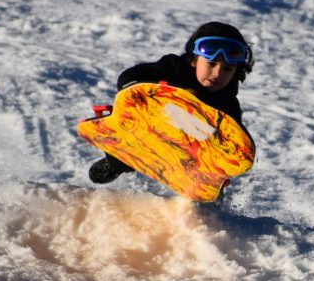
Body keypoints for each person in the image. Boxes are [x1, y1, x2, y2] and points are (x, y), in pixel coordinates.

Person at [88, 21, 254, 184]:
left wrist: (220, 171)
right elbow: (130, 76)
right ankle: (116, 163)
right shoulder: (174, 68)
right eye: (211, 63)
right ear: (194, 59)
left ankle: (206, 200)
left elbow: (235, 141)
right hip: (148, 127)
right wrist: (145, 89)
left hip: (189, 152)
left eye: (227, 69)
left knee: (209, 180)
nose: (217, 73)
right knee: (123, 147)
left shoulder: (228, 104)